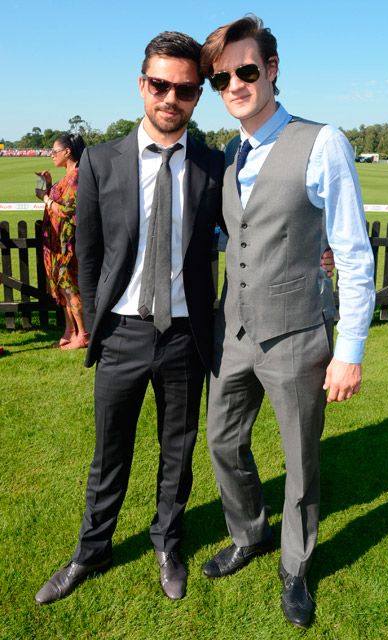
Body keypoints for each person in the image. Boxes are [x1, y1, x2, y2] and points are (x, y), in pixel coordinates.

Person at [35, 31, 224, 605]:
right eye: (160, 85)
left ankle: (168, 542)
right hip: (121, 332)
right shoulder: (99, 161)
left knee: (178, 450)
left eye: (185, 90)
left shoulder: (215, 165)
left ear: (197, 96)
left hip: (185, 335)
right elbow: (88, 255)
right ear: (142, 85)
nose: (171, 98)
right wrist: (95, 324)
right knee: (109, 452)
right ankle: (92, 550)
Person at [200, 16, 375, 629]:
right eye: (222, 77)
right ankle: (250, 533)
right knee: (223, 440)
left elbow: (353, 251)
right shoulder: (229, 154)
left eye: (246, 71)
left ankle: (295, 566)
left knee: (300, 460)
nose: (235, 85)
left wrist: (348, 349)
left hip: (299, 333)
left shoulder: (322, 141)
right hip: (235, 332)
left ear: (272, 69)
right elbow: (238, 232)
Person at [35, 133, 89, 349]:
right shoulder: (66, 177)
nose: (52, 156)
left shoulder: (76, 176)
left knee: (70, 286)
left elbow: (68, 209)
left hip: (68, 244)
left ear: (67, 152)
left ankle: (83, 334)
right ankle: (70, 330)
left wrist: (45, 198)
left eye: (54, 151)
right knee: (62, 288)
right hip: (58, 243)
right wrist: (48, 186)